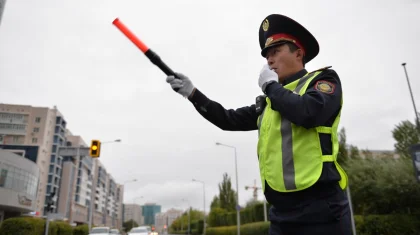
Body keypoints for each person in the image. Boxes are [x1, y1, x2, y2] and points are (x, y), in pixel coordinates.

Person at [166, 14, 352, 235]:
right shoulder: (268, 104)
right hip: (280, 213)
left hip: (320, 209)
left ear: (299, 53)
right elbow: (226, 119)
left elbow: (308, 113)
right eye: (267, 56)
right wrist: (192, 93)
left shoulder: (322, 81)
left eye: (276, 52)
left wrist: (271, 87)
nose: (270, 60)